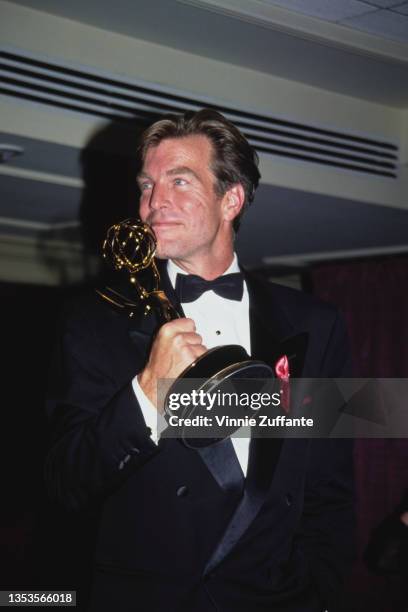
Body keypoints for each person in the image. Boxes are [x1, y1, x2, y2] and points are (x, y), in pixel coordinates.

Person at [45, 109, 354, 612]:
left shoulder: (315, 325)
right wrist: (148, 392)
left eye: (179, 181)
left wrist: (317, 591)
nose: (153, 202)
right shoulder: (91, 322)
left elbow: (331, 483)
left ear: (231, 199)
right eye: (146, 184)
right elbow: (65, 482)